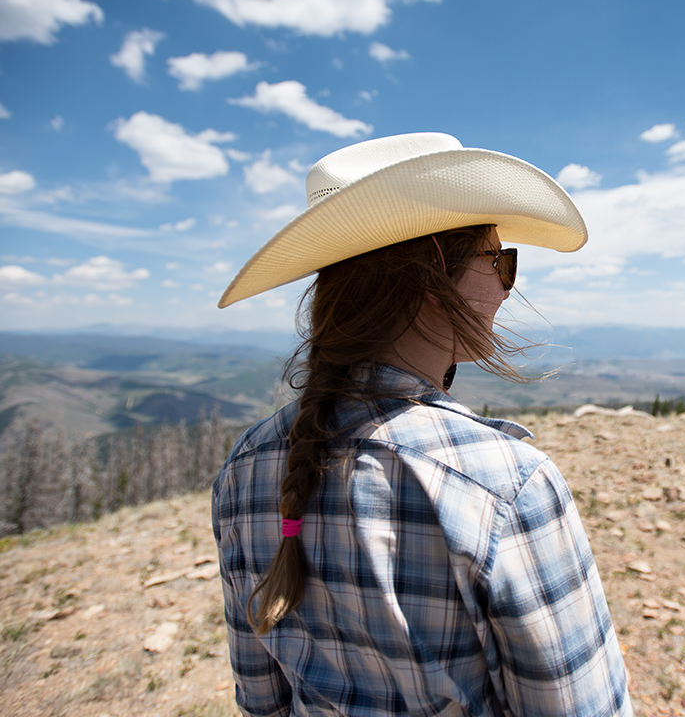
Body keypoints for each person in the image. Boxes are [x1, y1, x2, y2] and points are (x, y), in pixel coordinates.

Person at [212, 132, 633, 717]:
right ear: (432, 276)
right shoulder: (507, 486)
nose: (506, 289)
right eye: (500, 261)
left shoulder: (245, 468)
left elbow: (262, 701)